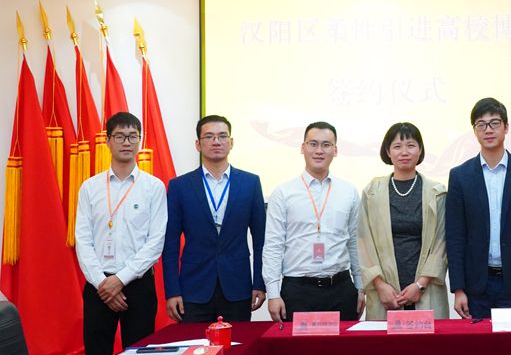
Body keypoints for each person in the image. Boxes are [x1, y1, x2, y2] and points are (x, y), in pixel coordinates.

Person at [75, 112, 167, 355]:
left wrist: (120, 279)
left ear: (140, 140)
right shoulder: (90, 187)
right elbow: (82, 240)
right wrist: (103, 283)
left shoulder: (154, 187)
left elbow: (155, 242)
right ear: (107, 141)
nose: (127, 142)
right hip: (98, 285)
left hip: (138, 285)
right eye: (120, 136)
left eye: (132, 136)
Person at [446, 98, 511, 319]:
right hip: (476, 286)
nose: (488, 130)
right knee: (478, 342)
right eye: (481, 124)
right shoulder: (460, 176)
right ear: (474, 131)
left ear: (506, 127)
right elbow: (455, 237)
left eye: (495, 123)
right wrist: (458, 289)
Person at [162, 115, 266, 323]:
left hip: (237, 286)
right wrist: (172, 291)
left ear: (231, 142)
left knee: (237, 342)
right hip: (194, 287)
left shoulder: (250, 183)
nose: (216, 141)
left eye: (222, 136)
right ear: (198, 144)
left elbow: (260, 240)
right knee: (194, 342)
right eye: (209, 137)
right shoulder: (179, 186)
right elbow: (170, 243)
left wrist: (259, 283)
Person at [264, 122, 365, 322]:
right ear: (303, 148)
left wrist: (360, 287)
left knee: (343, 343)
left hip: (341, 289)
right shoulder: (283, 192)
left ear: (335, 150)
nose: (319, 150)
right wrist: (273, 294)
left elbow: (354, 242)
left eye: (326, 145)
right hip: (297, 290)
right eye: (313, 144)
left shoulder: (349, 192)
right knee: (297, 344)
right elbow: (273, 246)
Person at [358, 122, 448, 319]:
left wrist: (420, 285)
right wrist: (380, 285)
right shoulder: (372, 192)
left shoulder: (437, 193)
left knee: (429, 339)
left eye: (411, 145)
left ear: (420, 150)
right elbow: (363, 242)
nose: (404, 152)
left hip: (426, 290)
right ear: (388, 152)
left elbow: (442, 243)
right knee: (384, 340)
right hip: (385, 294)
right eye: (397, 146)